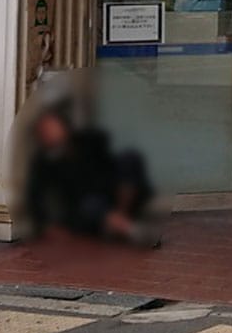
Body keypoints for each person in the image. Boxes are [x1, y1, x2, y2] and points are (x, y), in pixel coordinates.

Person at [24, 105, 159, 246]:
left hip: (113, 191)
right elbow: (35, 195)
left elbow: (108, 160)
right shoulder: (43, 161)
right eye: (45, 129)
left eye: (52, 125)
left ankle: (121, 218)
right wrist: (45, 227)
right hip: (84, 203)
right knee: (91, 205)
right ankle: (129, 228)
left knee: (130, 158)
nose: (51, 131)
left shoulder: (87, 139)